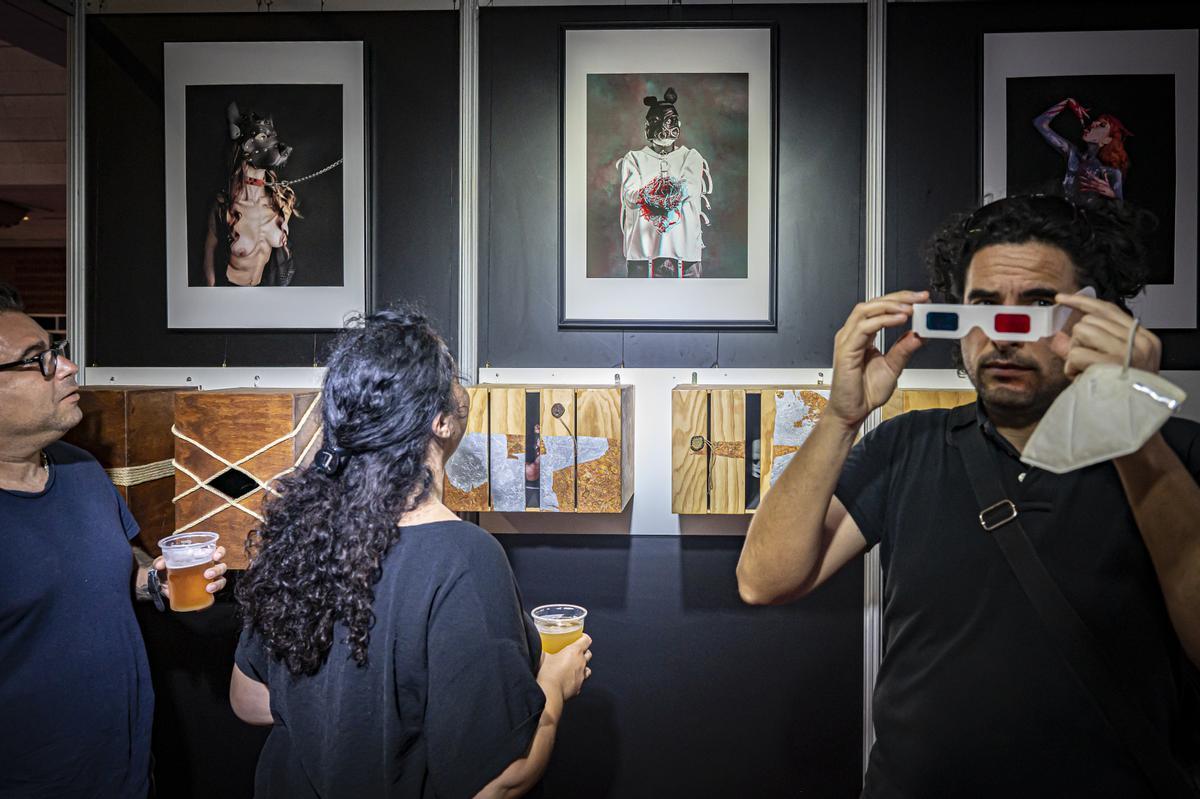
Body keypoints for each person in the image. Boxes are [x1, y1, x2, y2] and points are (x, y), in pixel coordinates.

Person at [736, 196, 1200, 796]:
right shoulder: (906, 446)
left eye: (1037, 306)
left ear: (1092, 319)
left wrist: (1130, 416)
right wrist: (842, 415)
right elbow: (764, 579)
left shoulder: (1174, 455)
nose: (1005, 336)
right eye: (984, 307)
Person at [230, 306, 592, 798]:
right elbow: (501, 781)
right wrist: (553, 683)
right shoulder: (464, 559)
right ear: (441, 420)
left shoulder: (301, 533)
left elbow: (249, 699)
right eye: (452, 375)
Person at [0, 283, 228, 798]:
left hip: (125, 774)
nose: (67, 368)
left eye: (56, 351)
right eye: (37, 360)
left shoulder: (79, 469)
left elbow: (121, 564)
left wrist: (157, 581)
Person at [202, 101, 300, 287]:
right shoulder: (224, 207)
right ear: (246, 145)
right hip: (230, 299)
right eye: (263, 136)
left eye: (273, 136)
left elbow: (285, 265)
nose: (275, 144)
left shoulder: (280, 201)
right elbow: (209, 257)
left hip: (267, 301)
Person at [617, 87, 712, 278]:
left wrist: (652, 196)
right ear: (647, 127)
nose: (663, 129)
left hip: (685, 255)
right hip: (642, 256)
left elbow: (690, 189)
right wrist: (653, 195)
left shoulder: (691, 157)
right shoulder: (634, 158)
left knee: (688, 306)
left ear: (678, 124)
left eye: (669, 122)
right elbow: (630, 196)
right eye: (655, 122)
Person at [1033, 97, 1132, 201]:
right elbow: (1039, 123)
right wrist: (1067, 102)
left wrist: (1112, 194)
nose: (1093, 123)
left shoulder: (1112, 173)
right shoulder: (1072, 154)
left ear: (1107, 140)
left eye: (1102, 125)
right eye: (1096, 121)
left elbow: (1121, 210)